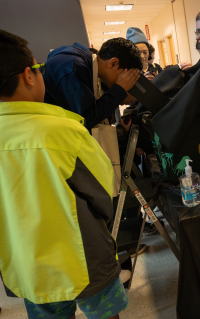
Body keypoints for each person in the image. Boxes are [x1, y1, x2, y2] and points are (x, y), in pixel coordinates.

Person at [0, 29, 128, 319]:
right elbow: (102, 189)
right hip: (85, 260)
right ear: (28, 75)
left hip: (27, 266)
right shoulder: (64, 130)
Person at [43, 38, 141, 131]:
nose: (128, 82)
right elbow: (85, 120)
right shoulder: (74, 68)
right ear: (113, 63)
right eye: (128, 76)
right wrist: (119, 90)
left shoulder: (82, 59)